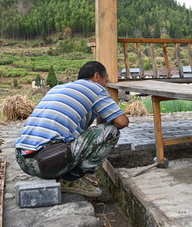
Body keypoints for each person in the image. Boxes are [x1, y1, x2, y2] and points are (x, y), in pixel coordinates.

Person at [15, 61, 129, 197]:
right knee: (111, 131)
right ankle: (71, 179)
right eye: (106, 80)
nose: (106, 84)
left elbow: (28, 121)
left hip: (23, 161)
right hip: (47, 162)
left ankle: (66, 173)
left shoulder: (57, 88)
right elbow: (122, 122)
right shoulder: (95, 88)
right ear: (97, 76)